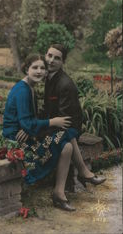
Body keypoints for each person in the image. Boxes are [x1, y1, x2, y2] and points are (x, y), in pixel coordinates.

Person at [17, 45, 106, 211]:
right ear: (45, 55)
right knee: (66, 147)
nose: (51, 60)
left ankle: (81, 173)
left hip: (68, 126)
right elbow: (48, 110)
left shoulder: (65, 84)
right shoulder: (49, 77)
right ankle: (63, 190)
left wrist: (34, 128)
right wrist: (30, 124)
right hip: (58, 124)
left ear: (63, 62)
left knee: (64, 137)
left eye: (56, 58)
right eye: (49, 55)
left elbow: (63, 120)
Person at [3, 53, 78, 211]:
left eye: (42, 68)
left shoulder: (30, 87)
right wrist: (53, 121)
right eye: (34, 67)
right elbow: (27, 123)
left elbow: (28, 121)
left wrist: (28, 128)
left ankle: (58, 193)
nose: (39, 71)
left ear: (46, 72)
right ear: (26, 69)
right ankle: (79, 176)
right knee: (65, 134)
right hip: (16, 140)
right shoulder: (23, 90)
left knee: (67, 146)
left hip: (26, 133)